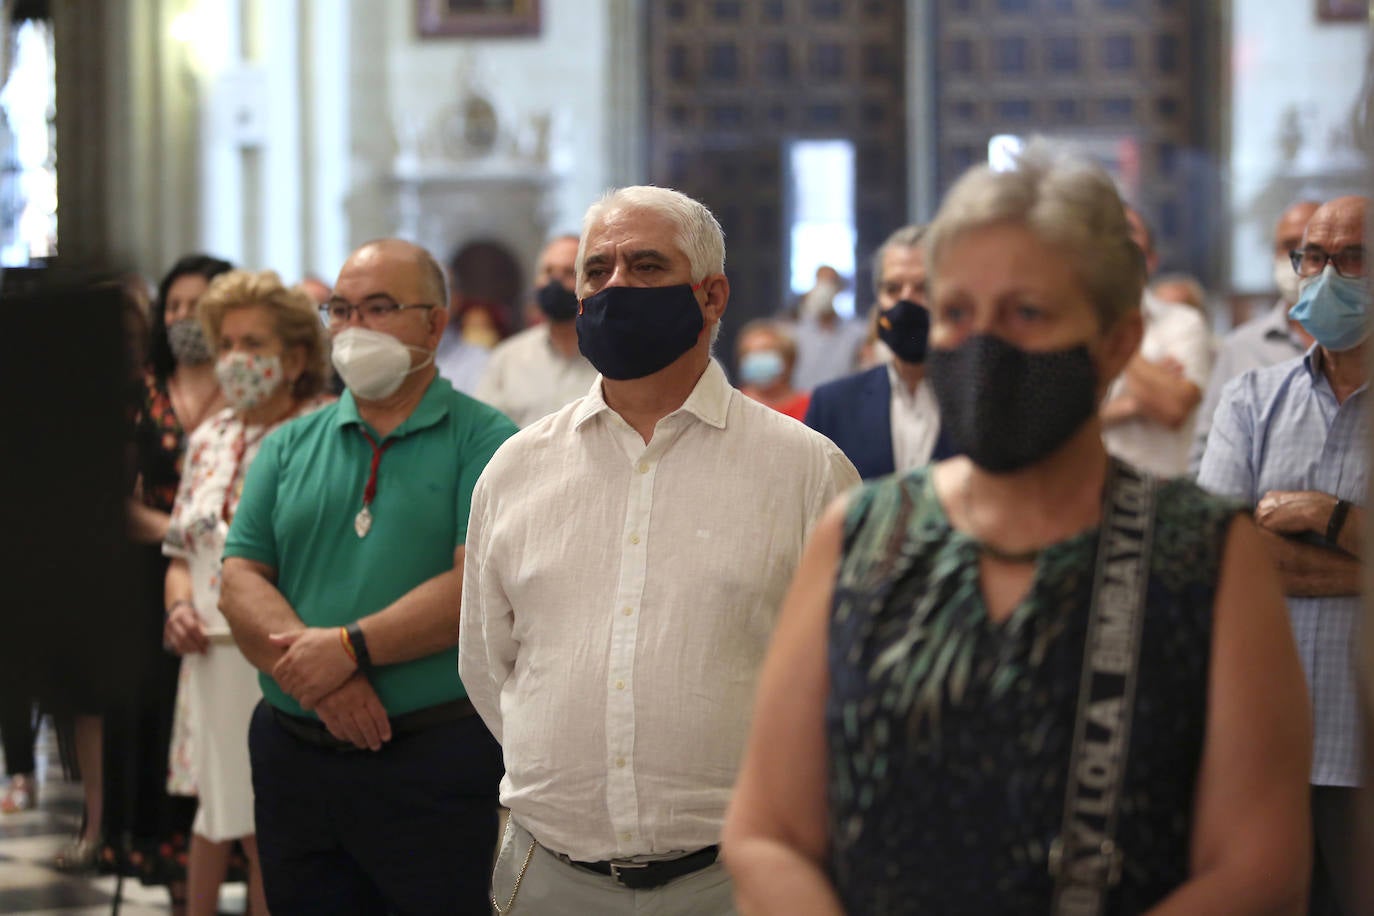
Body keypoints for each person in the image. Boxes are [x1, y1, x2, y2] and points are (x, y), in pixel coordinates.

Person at [723, 143, 1312, 915]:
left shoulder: (1207, 554)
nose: (983, 344)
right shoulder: (862, 532)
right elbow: (766, 831)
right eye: (957, 312)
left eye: (1025, 313)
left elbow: (1258, 868)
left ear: (1116, 342)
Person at [459, 186, 860, 914]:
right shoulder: (514, 471)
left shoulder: (806, 470)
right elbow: (492, 667)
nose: (616, 287)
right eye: (597, 271)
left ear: (711, 296)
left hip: (735, 878)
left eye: (646, 267)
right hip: (550, 875)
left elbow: (846, 676)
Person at [219, 239, 517, 914]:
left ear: (435, 324)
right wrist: (323, 674)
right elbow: (239, 577)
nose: (354, 328)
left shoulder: (488, 441)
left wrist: (349, 648)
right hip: (295, 754)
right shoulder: (292, 443)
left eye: (379, 308)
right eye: (341, 310)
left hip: (430, 759)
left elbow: (476, 587)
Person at [1198, 194, 1368, 916]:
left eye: (1351, 258)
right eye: (1313, 258)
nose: (1326, 275)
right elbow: (1220, 553)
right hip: (1272, 749)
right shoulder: (1251, 397)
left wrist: (1320, 514)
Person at [161, 270, 333, 916]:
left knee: (270, 823)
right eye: (226, 343)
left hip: (277, 655)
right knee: (214, 811)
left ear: (293, 357)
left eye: (252, 344)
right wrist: (177, 604)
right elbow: (181, 549)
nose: (234, 359)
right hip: (207, 653)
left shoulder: (324, 432)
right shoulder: (209, 438)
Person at [91, 255, 234, 908]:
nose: (181, 318)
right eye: (172, 307)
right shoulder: (140, 394)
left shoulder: (247, 391)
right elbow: (108, 500)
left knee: (221, 739)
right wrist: (187, 523)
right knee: (154, 730)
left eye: (194, 305)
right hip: (147, 586)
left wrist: (195, 526)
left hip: (232, 576)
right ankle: (175, 883)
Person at [805, 225, 955, 479]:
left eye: (923, 288)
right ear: (878, 298)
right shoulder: (833, 406)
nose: (906, 301)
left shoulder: (987, 398)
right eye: (893, 289)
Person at [1188, 200, 1320, 475]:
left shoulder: (1357, 346)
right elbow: (1205, 452)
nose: (1299, 256)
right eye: (1288, 245)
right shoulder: (1240, 348)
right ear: (1274, 254)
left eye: (1311, 247)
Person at [1100, 207, 1212, 477]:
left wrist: (1112, 327)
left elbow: (1172, 408)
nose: (1117, 240)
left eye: (1127, 231)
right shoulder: (1072, 324)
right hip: (1086, 495)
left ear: (1150, 260)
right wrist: (1134, 404)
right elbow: (1055, 424)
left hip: (1163, 497)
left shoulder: (1183, 322)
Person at [474, 234, 599, 426]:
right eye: (548, 272)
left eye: (568, 272)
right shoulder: (507, 358)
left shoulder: (610, 358)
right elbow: (481, 430)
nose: (555, 282)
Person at [790, 265, 868, 390]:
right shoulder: (793, 332)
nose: (824, 287)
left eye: (830, 282)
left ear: (839, 288)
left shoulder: (857, 332)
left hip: (841, 401)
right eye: (820, 282)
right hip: (803, 401)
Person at [735, 318, 810, 420]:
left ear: (788, 360)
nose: (758, 360)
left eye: (765, 352)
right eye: (750, 353)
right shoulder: (733, 404)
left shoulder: (810, 406)